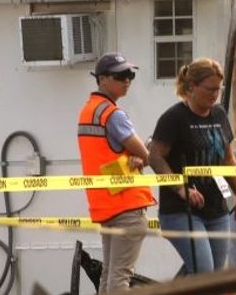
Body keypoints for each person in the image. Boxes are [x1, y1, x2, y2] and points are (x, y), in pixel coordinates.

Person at [147, 58, 236, 275]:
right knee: (204, 270)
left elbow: (228, 160)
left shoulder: (219, 114)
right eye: (210, 89)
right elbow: (155, 157)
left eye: (218, 90)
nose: (215, 95)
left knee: (213, 276)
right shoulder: (173, 118)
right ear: (191, 87)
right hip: (180, 210)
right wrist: (181, 189)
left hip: (217, 207)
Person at [77, 52, 154, 293]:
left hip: (105, 205)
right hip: (127, 205)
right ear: (102, 79)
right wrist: (142, 155)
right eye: (120, 75)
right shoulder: (113, 114)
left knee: (109, 276)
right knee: (119, 278)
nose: (127, 80)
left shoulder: (88, 111)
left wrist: (135, 158)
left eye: (129, 75)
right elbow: (149, 156)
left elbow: (106, 156)